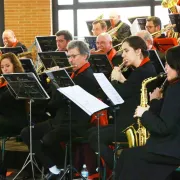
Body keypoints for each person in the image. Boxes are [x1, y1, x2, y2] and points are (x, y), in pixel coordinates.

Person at [20, 40, 99, 180]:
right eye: (69, 56)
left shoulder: (88, 77)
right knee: (27, 133)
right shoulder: (73, 74)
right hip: (60, 120)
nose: (70, 60)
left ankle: (66, 167)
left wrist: (56, 81)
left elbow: (64, 101)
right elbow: (55, 102)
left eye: (74, 56)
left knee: (48, 139)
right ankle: (55, 169)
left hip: (76, 122)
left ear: (85, 56)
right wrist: (52, 80)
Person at [88, 36, 157, 170]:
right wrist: (122, 79)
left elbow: (119, 95)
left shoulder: (143, 71)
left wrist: (114, 81)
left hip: (133, 125)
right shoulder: (143, 69)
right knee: (92, 133)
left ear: (138, 51)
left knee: (95, 137)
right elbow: (132, 90)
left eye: (126, 51)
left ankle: (118, 169)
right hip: (128, 120)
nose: (123, 55)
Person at [115, 45, 180, 180]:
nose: (166, 68)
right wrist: (155, 102)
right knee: (129, 157)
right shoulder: (174, 87)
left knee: (128, 158)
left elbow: (163, 127)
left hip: (171, 150)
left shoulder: (175, 90)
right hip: (173, 146)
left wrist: (143, 113)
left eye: (168, 65)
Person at [0, 52, 27, 179]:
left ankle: (2, 171)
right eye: (2, 67)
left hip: (15, 121)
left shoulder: (18, 82)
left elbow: (3, 101)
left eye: (7, 66)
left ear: (14, 66)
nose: (5, 69)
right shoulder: (3, 82)